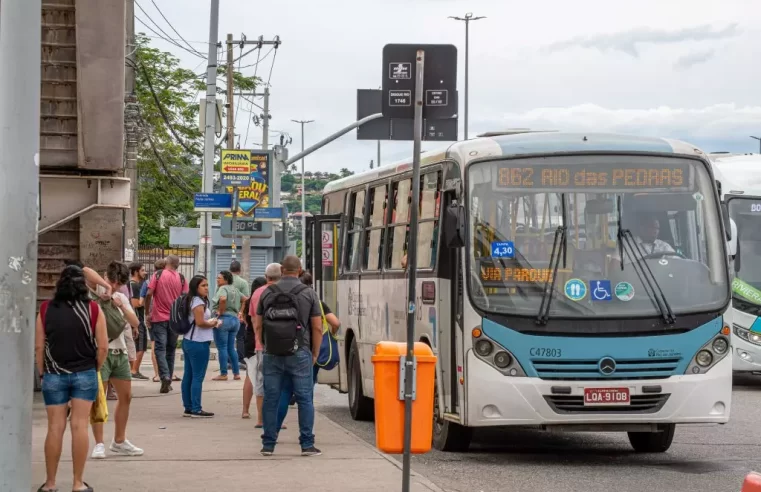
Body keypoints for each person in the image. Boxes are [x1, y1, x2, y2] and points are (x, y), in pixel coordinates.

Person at [36, 265, 108, 492]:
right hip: (84, 374)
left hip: (53, 375)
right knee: (79, 427)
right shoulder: (94, 309)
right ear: (83, 285)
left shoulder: (46, 309)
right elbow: (103, 347)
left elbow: (39, 345)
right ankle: (78, 483)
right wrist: (93, 368)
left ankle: (50, 484)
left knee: (55, 428)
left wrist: (42, 371)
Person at [255, 256, 323, 457]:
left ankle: (268, 444)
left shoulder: (267, 293)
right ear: (300, 270)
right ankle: (307, 444)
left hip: (272, 352)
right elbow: (317, 327)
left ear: (282, 269)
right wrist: (315, 352)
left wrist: (264, 344)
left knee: (271, 398)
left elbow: (258, 324)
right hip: (300, 351)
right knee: (304, 398)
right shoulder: (309, 293)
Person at [91, 261, 144, 459]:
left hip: (119, 353)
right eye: (112, 281)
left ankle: (119, 440)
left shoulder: (120, 296)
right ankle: (98, 443)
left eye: (117, 283)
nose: (113, 286)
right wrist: (104, 286)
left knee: (126, 397)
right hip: (100, 352)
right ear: (105, 276)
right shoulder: (94, 291)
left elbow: (135, 322)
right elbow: (85, 270)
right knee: (99, 399)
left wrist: (120, 304)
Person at [276, 271, 340, 429]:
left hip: (288, 348)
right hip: (311, 352)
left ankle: (274, 428)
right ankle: (306, 434)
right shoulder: (316, 301)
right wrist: (330, 335)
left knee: (285, 390)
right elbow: (336, 323)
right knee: (306, 393)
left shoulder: (285, 300)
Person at [145, 255, 188, 393]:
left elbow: (149, 293)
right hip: (175, 319)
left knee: (159, 349)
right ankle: (168, 377)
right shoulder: (181, 278)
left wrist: (147, 312)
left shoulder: (158, 275)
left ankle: (164, 376)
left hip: (159, 318)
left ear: (166, 263)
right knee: (171, 350)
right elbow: (185, 298)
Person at [181, 275, 222, 418]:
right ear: (195, 287)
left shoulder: (190, 299)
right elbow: (200, 322)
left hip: (189, 340)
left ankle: (188, 407)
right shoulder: (198, 302)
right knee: (197, 376)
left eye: (206, 285)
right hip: (198, 342)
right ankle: (196, 409)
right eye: (203, 285)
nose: (206, 288)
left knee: (189, 375)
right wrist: (213, 323)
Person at [242, 275, 267, 422]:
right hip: (258, 341)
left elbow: (247, 321)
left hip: (249, 340)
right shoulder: (264, 300)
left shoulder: (247, 302)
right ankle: (261, 417)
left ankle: (245, 410)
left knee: (249, 377)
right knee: (259, 378)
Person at [211, 270, 242, 381]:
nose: (217, 280)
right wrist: (241, 311)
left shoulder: (222, 289)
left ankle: (223, 374)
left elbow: (223, 299)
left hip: (224, 320)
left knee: (222, 348)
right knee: (231, 348)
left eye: (219, 278)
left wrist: (221, 311)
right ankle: (236, 373)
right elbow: (245, 299)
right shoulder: (235, 289)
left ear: (225, 280)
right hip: (235, 320)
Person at [129, 262, 149, 380]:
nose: (145, 272)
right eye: (142, 270)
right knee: (140, 347)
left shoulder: (134, 285)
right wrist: (145, 297)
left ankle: (134, 369)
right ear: (136, 272)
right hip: (137, 320)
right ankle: (134, 370)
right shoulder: (134, 285)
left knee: (137, 346)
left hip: (137, 319)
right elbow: (135, 304)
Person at [230, 260, 251, 370]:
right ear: (240, 270)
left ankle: (228, 360)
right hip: (239, 314)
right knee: (240, 338)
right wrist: (242, 314)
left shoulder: (224, 281)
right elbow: (246, 299)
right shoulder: (243, 283)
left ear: (230, 269)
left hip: (226, 314)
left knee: (228, 339)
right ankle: (240, 359)